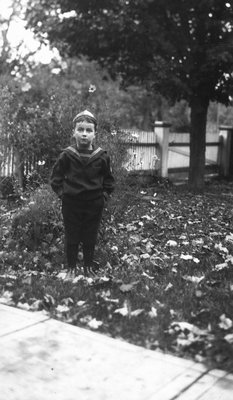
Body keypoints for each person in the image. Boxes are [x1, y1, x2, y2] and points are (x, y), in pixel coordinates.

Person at [50, 110, 115, 277]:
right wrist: (63, 194)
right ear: (74, 132)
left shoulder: (102, 156)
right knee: (72, 236)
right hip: (71, 203)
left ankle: (87, 267)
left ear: (95, 134)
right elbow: (55, 179)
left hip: (94, 204)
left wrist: (104, 197)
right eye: (80, 130)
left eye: (88, 130)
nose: (84, 134)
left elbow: (109, 181)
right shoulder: (67, 155)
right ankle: (71, 268)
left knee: (89, 236)